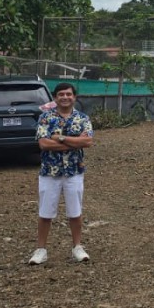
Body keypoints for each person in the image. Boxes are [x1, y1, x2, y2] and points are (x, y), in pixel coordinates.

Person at [29, 83, 95, 264]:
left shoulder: (82, 118)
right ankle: (41, 250)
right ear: (55, 98)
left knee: (75, 211)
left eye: (68, 94)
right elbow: (44, 144)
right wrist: (75, 142)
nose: (65, 97)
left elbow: (88, 142)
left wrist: (60, 138)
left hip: (74, 171)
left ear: (74, 97)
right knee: (45, 212)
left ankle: (77, 247)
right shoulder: (45, 117)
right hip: (50, 172)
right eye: (61, 94)